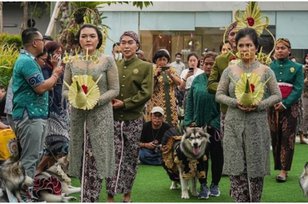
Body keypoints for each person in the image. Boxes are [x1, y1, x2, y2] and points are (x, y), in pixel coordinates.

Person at [215, 28, 281, 202]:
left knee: (256, 168)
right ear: (235, 47)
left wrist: (261, 104)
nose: (245, 49)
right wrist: (235, 102)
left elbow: (277, 95)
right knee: (236, 169)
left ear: (256, 47)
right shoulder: (229, 71)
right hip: (233, 124)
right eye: (241, 45)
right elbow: (219, 94)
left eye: (249, 45)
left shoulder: (266, 70)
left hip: (257, 124)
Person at [62, 24, 119, 202]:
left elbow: (114, 89)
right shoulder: (71, 61)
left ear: (98, 39)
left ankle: (91, 197)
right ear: (78, 39)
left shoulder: (107, 60)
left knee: (96, 155)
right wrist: (76, 98)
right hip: (78, 115)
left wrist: (96, 100)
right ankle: (85, 196)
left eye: (92, 36)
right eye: (84, 36)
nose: (88, 39)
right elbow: (65, 89)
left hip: (101, 115)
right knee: (80, 154)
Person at [106, 31, 153, 202]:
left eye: (130, 42)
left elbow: (146, 93)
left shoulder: (146, 67)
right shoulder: (113, 65)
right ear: (119, 46)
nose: (126, 46)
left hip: (133, 119)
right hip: (112, 118)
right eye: (123, 42)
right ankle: (110, 196)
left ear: (137, 45)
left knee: (130, 156)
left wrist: (125, 103)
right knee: (113, 157)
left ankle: (127, 195)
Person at [12, 27, 63, 179]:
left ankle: (27, 195)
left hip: (35, 115)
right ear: (35, 42)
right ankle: (24, 198)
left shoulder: (29, 60)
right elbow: (40, 88)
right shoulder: (26, 62)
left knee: (34, 157)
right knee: (30, 159)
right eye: (42, 41)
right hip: (30, 116)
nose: (44, 44)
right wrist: (55, 74)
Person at [184, 51, 222, 198]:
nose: (208, 66)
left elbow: (224, 106)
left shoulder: (221, 80)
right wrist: (189, 122)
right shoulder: (196, 80)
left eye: (212, 64)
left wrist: (215, 123)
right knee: (200, 156)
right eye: (206, 64)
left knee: (217, 156)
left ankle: (215, 185)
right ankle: (204, 185)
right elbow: (190, 103)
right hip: (197, 127)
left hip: (215, 127)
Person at [268, 38, 304, 182]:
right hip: (272, 107)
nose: (280, 50)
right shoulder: (269, 67)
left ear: (289, 50)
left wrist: (285, 103)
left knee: (287, 138)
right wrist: (270, 102)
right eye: (277, 48)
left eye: (283, 48)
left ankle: (284, 170)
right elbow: (265, 87)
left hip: (290, 108)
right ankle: (277, 166)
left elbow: (298, 89)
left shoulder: (297, 68)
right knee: (275, 137)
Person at [35, 42, 70, 174]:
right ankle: (39, 169)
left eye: (60, 53)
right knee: (59, 142)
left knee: (58, 144)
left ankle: (52, 179)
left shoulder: (60, 68)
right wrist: (55, 67)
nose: (58, 56)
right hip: (51, 110)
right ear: (48, 53)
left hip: (62, 108)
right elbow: (48, 87)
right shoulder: (44, 68)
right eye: (56, 53)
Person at [208, 22, 238, 138]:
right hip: (227, 109)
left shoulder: (256, 58)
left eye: (238, 33)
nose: (235, 37)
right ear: (227, 37)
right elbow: (210, 85)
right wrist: (227, 88)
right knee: (228, 147)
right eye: (232, 34)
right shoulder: (220, 60)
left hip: (250, 110)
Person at [145, 49, 182, 127]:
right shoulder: (151, 69)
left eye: (164, 60)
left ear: (167, 61)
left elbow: (179, 83)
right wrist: (156, 75)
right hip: (156, 103)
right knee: (156, 124)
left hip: (170, 103)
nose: (162, 62)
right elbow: (148, 86)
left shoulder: (171, 70)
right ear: (155, 60)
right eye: (160, 60)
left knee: (170, 124)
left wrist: (171, 75)